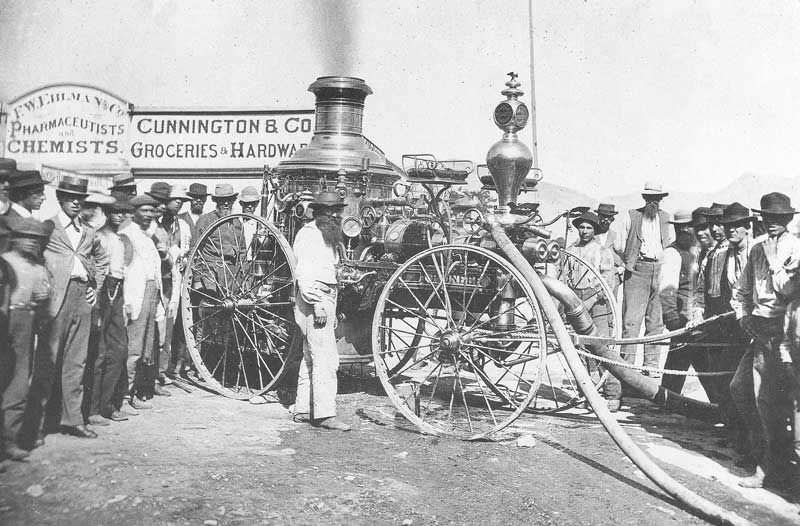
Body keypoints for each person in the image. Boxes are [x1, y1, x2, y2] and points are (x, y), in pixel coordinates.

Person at [732, 192, 800, 489]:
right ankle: (762, 455)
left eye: (778, 218)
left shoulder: (796, 249)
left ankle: (770, 468)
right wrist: (743, 314)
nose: (772, 223)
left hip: (784, 332)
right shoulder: (756, 249)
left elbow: (788, 292)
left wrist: (775, 264)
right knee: (740, 389)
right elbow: (742, 290)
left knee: (773, 402)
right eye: (768, 218)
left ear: (787, 220)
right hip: (759, 329)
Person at [33, 176, 107, 440]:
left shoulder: (87, 231)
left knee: (77, 362)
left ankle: (72, 420)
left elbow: (101, 258)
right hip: (56, 299)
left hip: (81, 298)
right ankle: (37, 425)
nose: (76, 202)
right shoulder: (47, 227)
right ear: (60, 198)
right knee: (48, 361)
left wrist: (94, 285)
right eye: (70, 197)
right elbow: (34, 258)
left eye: (81, 198)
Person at [292, 191, 350, 431]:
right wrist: (317, 304)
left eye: (338, 210)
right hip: (316, 298)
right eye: (333, 211)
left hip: (326, 296)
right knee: (325, 358)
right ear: (321, 213)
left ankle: (303, 409)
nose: (338, 216)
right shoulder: (309, 235)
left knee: (310, 356)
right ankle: (325, 414)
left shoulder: (327, 235)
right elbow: (304, 273)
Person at [609, 182, 674, 386]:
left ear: (661, 199)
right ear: (644, 199)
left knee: (656, 322)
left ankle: (651, 369)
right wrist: (630, 261)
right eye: (649, 198)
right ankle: (627, 370)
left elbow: (671, 244)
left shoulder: (666, 218)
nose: (653, 202)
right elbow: (618, 244)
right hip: (637, 270)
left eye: (657, 199)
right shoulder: (631, 216)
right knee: (631, 321)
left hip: (661, 269)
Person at [1, 217, 50, 459]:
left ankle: (10, 441)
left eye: (37, 239)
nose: (31, 243)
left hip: (25, 323)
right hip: (5, 319)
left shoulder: (39, 268)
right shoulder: (5, 263)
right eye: (27, 237)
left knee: (19, 383)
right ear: (14, 238)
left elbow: (43, 298)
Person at [87, 197, 134, 424]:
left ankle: (109, 404)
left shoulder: (120, 238)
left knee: (120, 350)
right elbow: (95, 268)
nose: (120, 216)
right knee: (99, 352)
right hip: (102, 290)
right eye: (115, 212)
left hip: (118, 291)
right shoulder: (99, 236)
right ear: (107, 212)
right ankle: (93, 409)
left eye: (123, 212)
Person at [658, 210, 713, 397]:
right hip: (683, 320)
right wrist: (673, 320)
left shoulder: (700, 250)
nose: (684, 231)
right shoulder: (672, 254)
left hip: (699, 319)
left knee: (700, 361)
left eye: (688, 227)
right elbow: (666, 291)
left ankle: (668, 398)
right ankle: (667, 399)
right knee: (682, 360)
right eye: (679, 228)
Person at [119, 194, 164, 408]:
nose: (148, 215)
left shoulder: (148, 237)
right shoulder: (127, 235)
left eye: (151, 211)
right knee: (133, 349)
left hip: (151, 294)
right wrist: (127, 301)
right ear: (135, 212)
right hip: (136, 296)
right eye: (144, 211)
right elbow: (125, 271)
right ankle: (124, 396)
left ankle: (134, 392)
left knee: (147, 347)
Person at [147, 182, 191, 386]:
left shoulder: (180, 225)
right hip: (156, 279)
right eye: (175, 200)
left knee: (168, 325)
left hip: (173, 278)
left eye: (181, 201)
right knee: (155, 327)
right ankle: (149, 375)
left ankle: (161, 372)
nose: (178, 204)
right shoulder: (153, 225)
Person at [193, 184, 243, 295]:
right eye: (222, 200)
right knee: (210, 308)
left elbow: (242, 252)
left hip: (232, 275)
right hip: (211, 274)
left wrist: (245, 279)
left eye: (229, 200)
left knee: (231, 307)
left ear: (233, 201)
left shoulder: (237, 223)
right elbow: (195, 251)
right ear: (216, 201)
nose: (226, 203)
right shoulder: (205, 220)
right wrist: (197, 279)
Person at [595, 203, 624, 296]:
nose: (605, 220)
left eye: (608, 217)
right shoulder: (591, 235)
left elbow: (624, 255)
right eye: (603, 217)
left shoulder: (616, 236)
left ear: (612, 219)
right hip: (594, 276)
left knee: (611, 305)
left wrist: (620, 269)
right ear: (598, 217)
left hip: (612, 277)